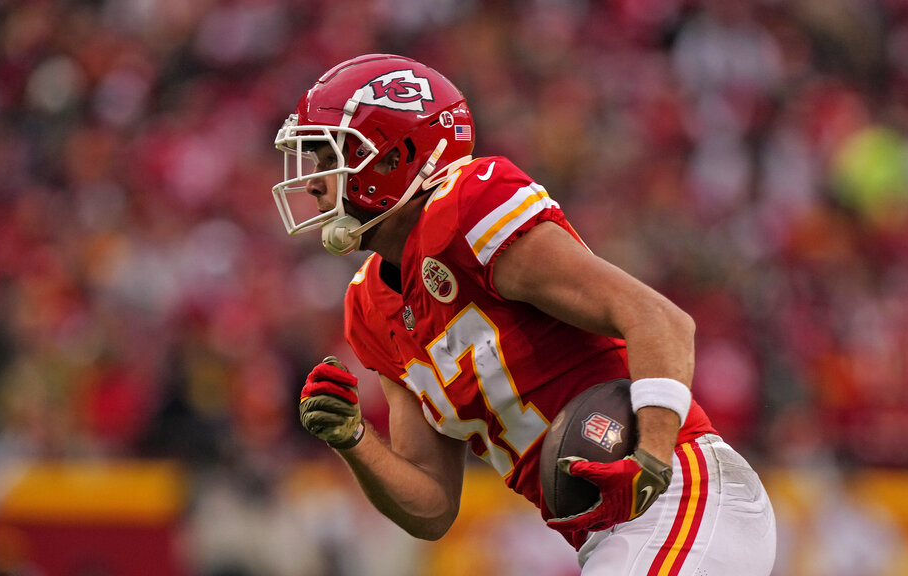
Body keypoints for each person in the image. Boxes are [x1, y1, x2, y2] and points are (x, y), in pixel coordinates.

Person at [271, 53, 777, 575]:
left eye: (329, 156)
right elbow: (432, 507)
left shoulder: (468, 205)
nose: (313, 182)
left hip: (678, 491)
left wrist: (649, 461)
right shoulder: (368, 310)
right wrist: (354, 439)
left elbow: (659, 319)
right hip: (609, 532)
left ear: (394, 155)